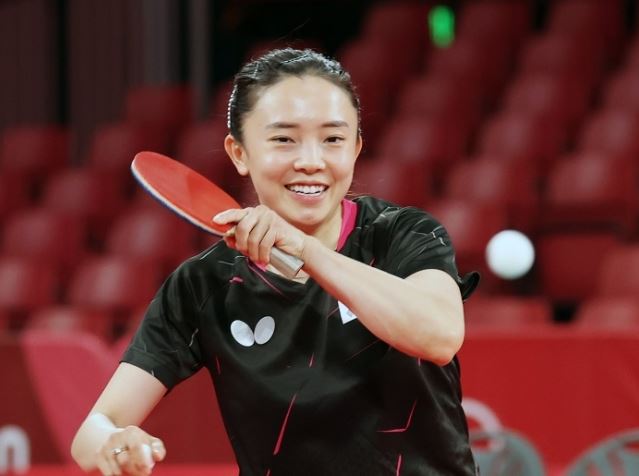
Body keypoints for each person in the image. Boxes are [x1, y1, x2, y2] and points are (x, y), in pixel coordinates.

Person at [71, 48, 479, 476]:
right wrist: (113, 442)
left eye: (333, 139)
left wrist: (306, 251)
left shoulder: (403, 235)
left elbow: (440, 335)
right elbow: (93, 432)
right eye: (284, 139)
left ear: (356, 148)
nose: (311, 161)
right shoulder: (204, 284)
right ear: (239, 153)